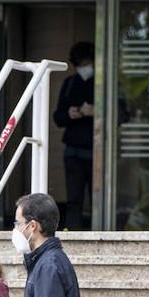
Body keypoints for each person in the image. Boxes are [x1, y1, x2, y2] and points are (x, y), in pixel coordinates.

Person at [52, 41, 94, 230]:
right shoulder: (70, 83)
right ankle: (74, 233)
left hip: (98, 150)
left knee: (98, 199)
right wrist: (70, 114)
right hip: (73, 150)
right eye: (79, 65)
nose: (83, 68)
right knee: (74, 198)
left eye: (86, 64)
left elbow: (122, 114)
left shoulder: (104, 82)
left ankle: (100, 233)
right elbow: (58, 117)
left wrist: (96, 112)